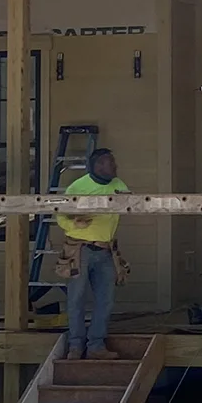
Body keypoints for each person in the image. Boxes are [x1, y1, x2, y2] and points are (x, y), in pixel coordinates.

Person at [55, 148, 129, 360]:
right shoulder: (78, 187)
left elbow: (131, 203)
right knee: (76, 299)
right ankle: (75, 347)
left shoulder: (118, 185)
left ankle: (96, 345)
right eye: (110, 162)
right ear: (98, 166)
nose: (115, 166)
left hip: (106, 250)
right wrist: (74, 223)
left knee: (106, 300)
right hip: (80, 249)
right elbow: (60, 215)